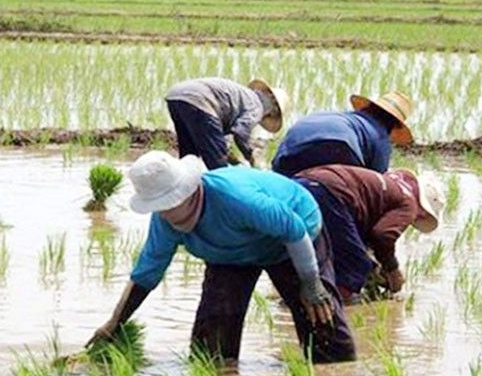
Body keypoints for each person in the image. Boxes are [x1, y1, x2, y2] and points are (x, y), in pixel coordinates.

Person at [87, 151, 356, 364]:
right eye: (160, 207)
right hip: (230, 255)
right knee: (210, 348)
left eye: (171, 203)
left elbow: (293, 230)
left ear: (190, 189)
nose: (167, 213)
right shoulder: (165, 223)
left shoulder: (236, 198)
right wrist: (114, 323)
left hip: (292, 241)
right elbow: (147, 273)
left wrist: (311, 284)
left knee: (320, 323)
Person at [295, 164, 445, 303]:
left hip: (302, 182)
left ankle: (294, 299)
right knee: (355, 266)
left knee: (310, 252)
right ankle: (325, 308)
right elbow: (382, 236)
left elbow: (355, 238)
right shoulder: (409, 203)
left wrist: (375, 268)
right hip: (330, 193)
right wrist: (393, 270)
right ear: (423, 212)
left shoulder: (390, 187)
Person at [271, 92, 413, 176]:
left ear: (368, 107)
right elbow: (377, 183)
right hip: (339, 147)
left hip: (294, 141)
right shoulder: (380, 138)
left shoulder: (341, 117)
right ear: (394, 125)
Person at [165, 78, 289, 170]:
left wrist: (234, 160)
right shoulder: (257, 106)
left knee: (189, 155)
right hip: (201, 101)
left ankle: (187, 192)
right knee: (218, 167)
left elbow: (220, 140)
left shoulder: (245, 96)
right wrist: (251, 158)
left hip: (176, 95)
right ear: (273, 111)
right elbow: (240, 133)